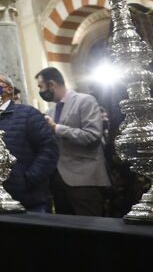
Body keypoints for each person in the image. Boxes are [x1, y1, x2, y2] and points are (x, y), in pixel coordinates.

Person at [0, 72, 59, 213]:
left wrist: (28, 179)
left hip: (25, 201)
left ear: (9, 89)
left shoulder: (29, 114)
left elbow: (49, 149)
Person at [36, 66, 110, 216]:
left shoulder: (85, 101)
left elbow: (92, 136)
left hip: (84, 179)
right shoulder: (51, 111)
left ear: (52, 84)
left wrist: (56, 128)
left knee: (91, 228)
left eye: (41, 86)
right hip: (59, 181)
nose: (40, 91)